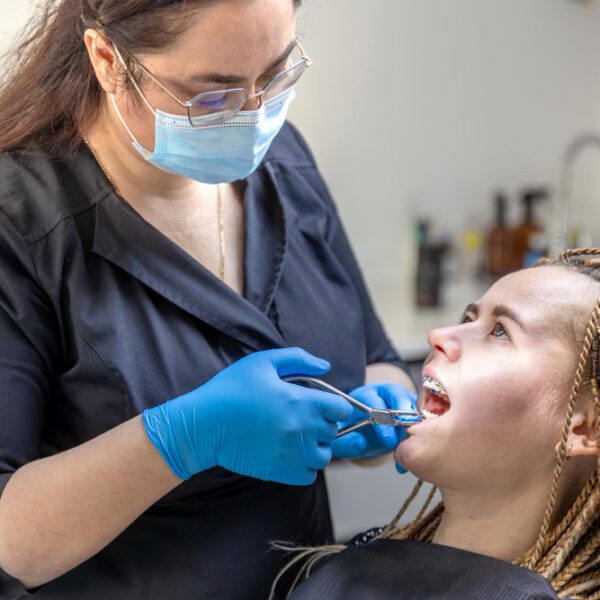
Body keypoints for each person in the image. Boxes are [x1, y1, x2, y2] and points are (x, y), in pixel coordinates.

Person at [0, 1, 417, 599]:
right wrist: (183, 438)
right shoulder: (19, 222)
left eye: (275, 75)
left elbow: (375, 358)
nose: (253, 114)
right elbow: (10, 542)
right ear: (107, 59)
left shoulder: (285, 160)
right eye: (214, 95)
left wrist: (375, 413)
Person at [271, 249, 600, 600]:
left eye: (500, 332)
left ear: (583, 429)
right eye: (467, 317)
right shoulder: (357, 565)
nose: (439, 334)